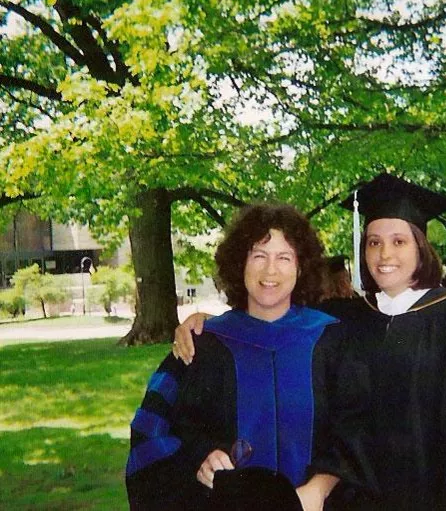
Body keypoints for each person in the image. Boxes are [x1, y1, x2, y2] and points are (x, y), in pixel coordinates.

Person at [174, 174, 446, 510]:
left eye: (399, 242)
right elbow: (271, 314)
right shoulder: (347, 319)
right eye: (374, 242)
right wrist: (204, 321)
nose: (385, 255)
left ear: (420, 247)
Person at [126, 204, 362, 510]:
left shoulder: (332, 341)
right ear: (241, 264)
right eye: (258, 256)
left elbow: (357, 431)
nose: (270, 271)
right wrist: (200, 457)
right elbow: (152, 430)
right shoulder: (202, 346)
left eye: (284, 258)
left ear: (301, 267)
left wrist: (319, 489)